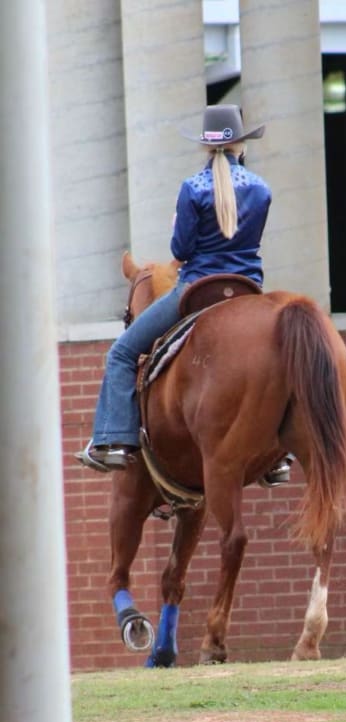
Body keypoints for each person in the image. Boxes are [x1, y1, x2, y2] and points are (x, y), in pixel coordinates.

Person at [76, 104, 292, 483]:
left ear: (205, 148)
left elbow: (180, 250)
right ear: (240, 144)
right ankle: (278, 456)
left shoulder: (192, 188)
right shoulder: (261, 188)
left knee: (123, 352)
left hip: (196, 288)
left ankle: (113, 440)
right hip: (247, 291)